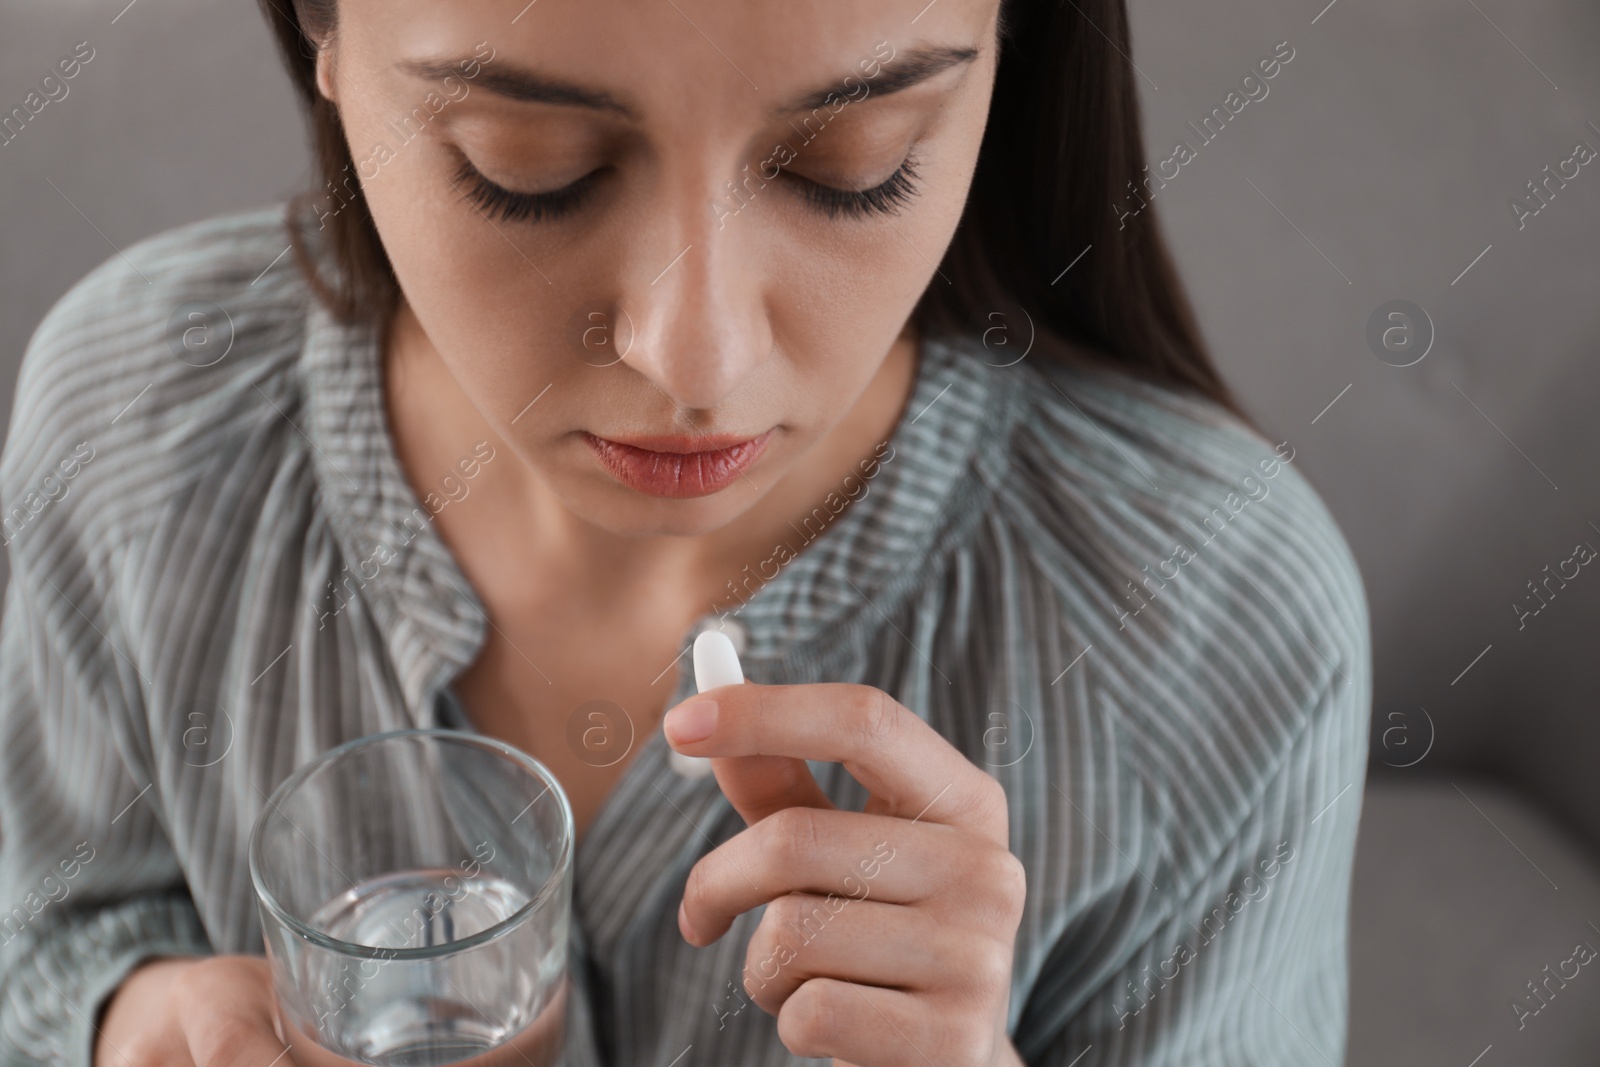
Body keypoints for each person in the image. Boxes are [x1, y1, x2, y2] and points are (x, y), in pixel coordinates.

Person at [0, 0, 1371, 1064]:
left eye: (855, 168)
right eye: (526, 169)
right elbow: (47, 931)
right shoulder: (132, 416)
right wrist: (124, 1020)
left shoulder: (1218, 618)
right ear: (326, 40)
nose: (692, 356)